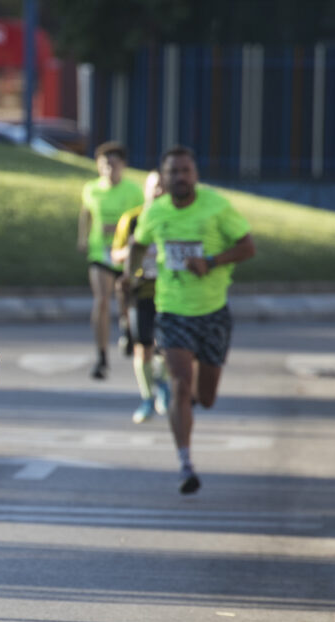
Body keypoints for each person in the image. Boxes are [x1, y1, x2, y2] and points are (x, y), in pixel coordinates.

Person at [129, 145, 255, 494]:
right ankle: (185, 464)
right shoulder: (155, 213)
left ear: (195, 175)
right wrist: (131, 274)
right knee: (180, 385)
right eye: (174, 172)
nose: (180, 177)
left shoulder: (216, 206)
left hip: (213, 311)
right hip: (171, 310)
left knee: (206, 396)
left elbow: (248, 246)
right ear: (163, 177)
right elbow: (137, 243)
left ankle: (198, 383)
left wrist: (212, 262)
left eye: (186, 170)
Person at [78, 141, 144, 379]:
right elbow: (85, 213)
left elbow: (142, 221)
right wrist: (82, 238)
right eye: (104, 164)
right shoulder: (91, 188)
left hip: (127, 253)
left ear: (123, 166)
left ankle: (127, 326)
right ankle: (102, 356)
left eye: (114, 164)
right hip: (100, 252)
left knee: (125, 297)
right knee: (102, 301)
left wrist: (121, 231)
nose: (109, 169)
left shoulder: (133, 191)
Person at [111, 169, 170, 424]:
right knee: (142, 346)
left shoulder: (174, 219)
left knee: (167, 345)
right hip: (139, 291)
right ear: (145, 188)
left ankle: (163, 385)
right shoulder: (132, 219)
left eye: (163, 187)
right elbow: (115, 254)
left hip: (169, 293)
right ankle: (147, 397)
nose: (159, 191)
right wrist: (134, 249)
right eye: (154, 186)